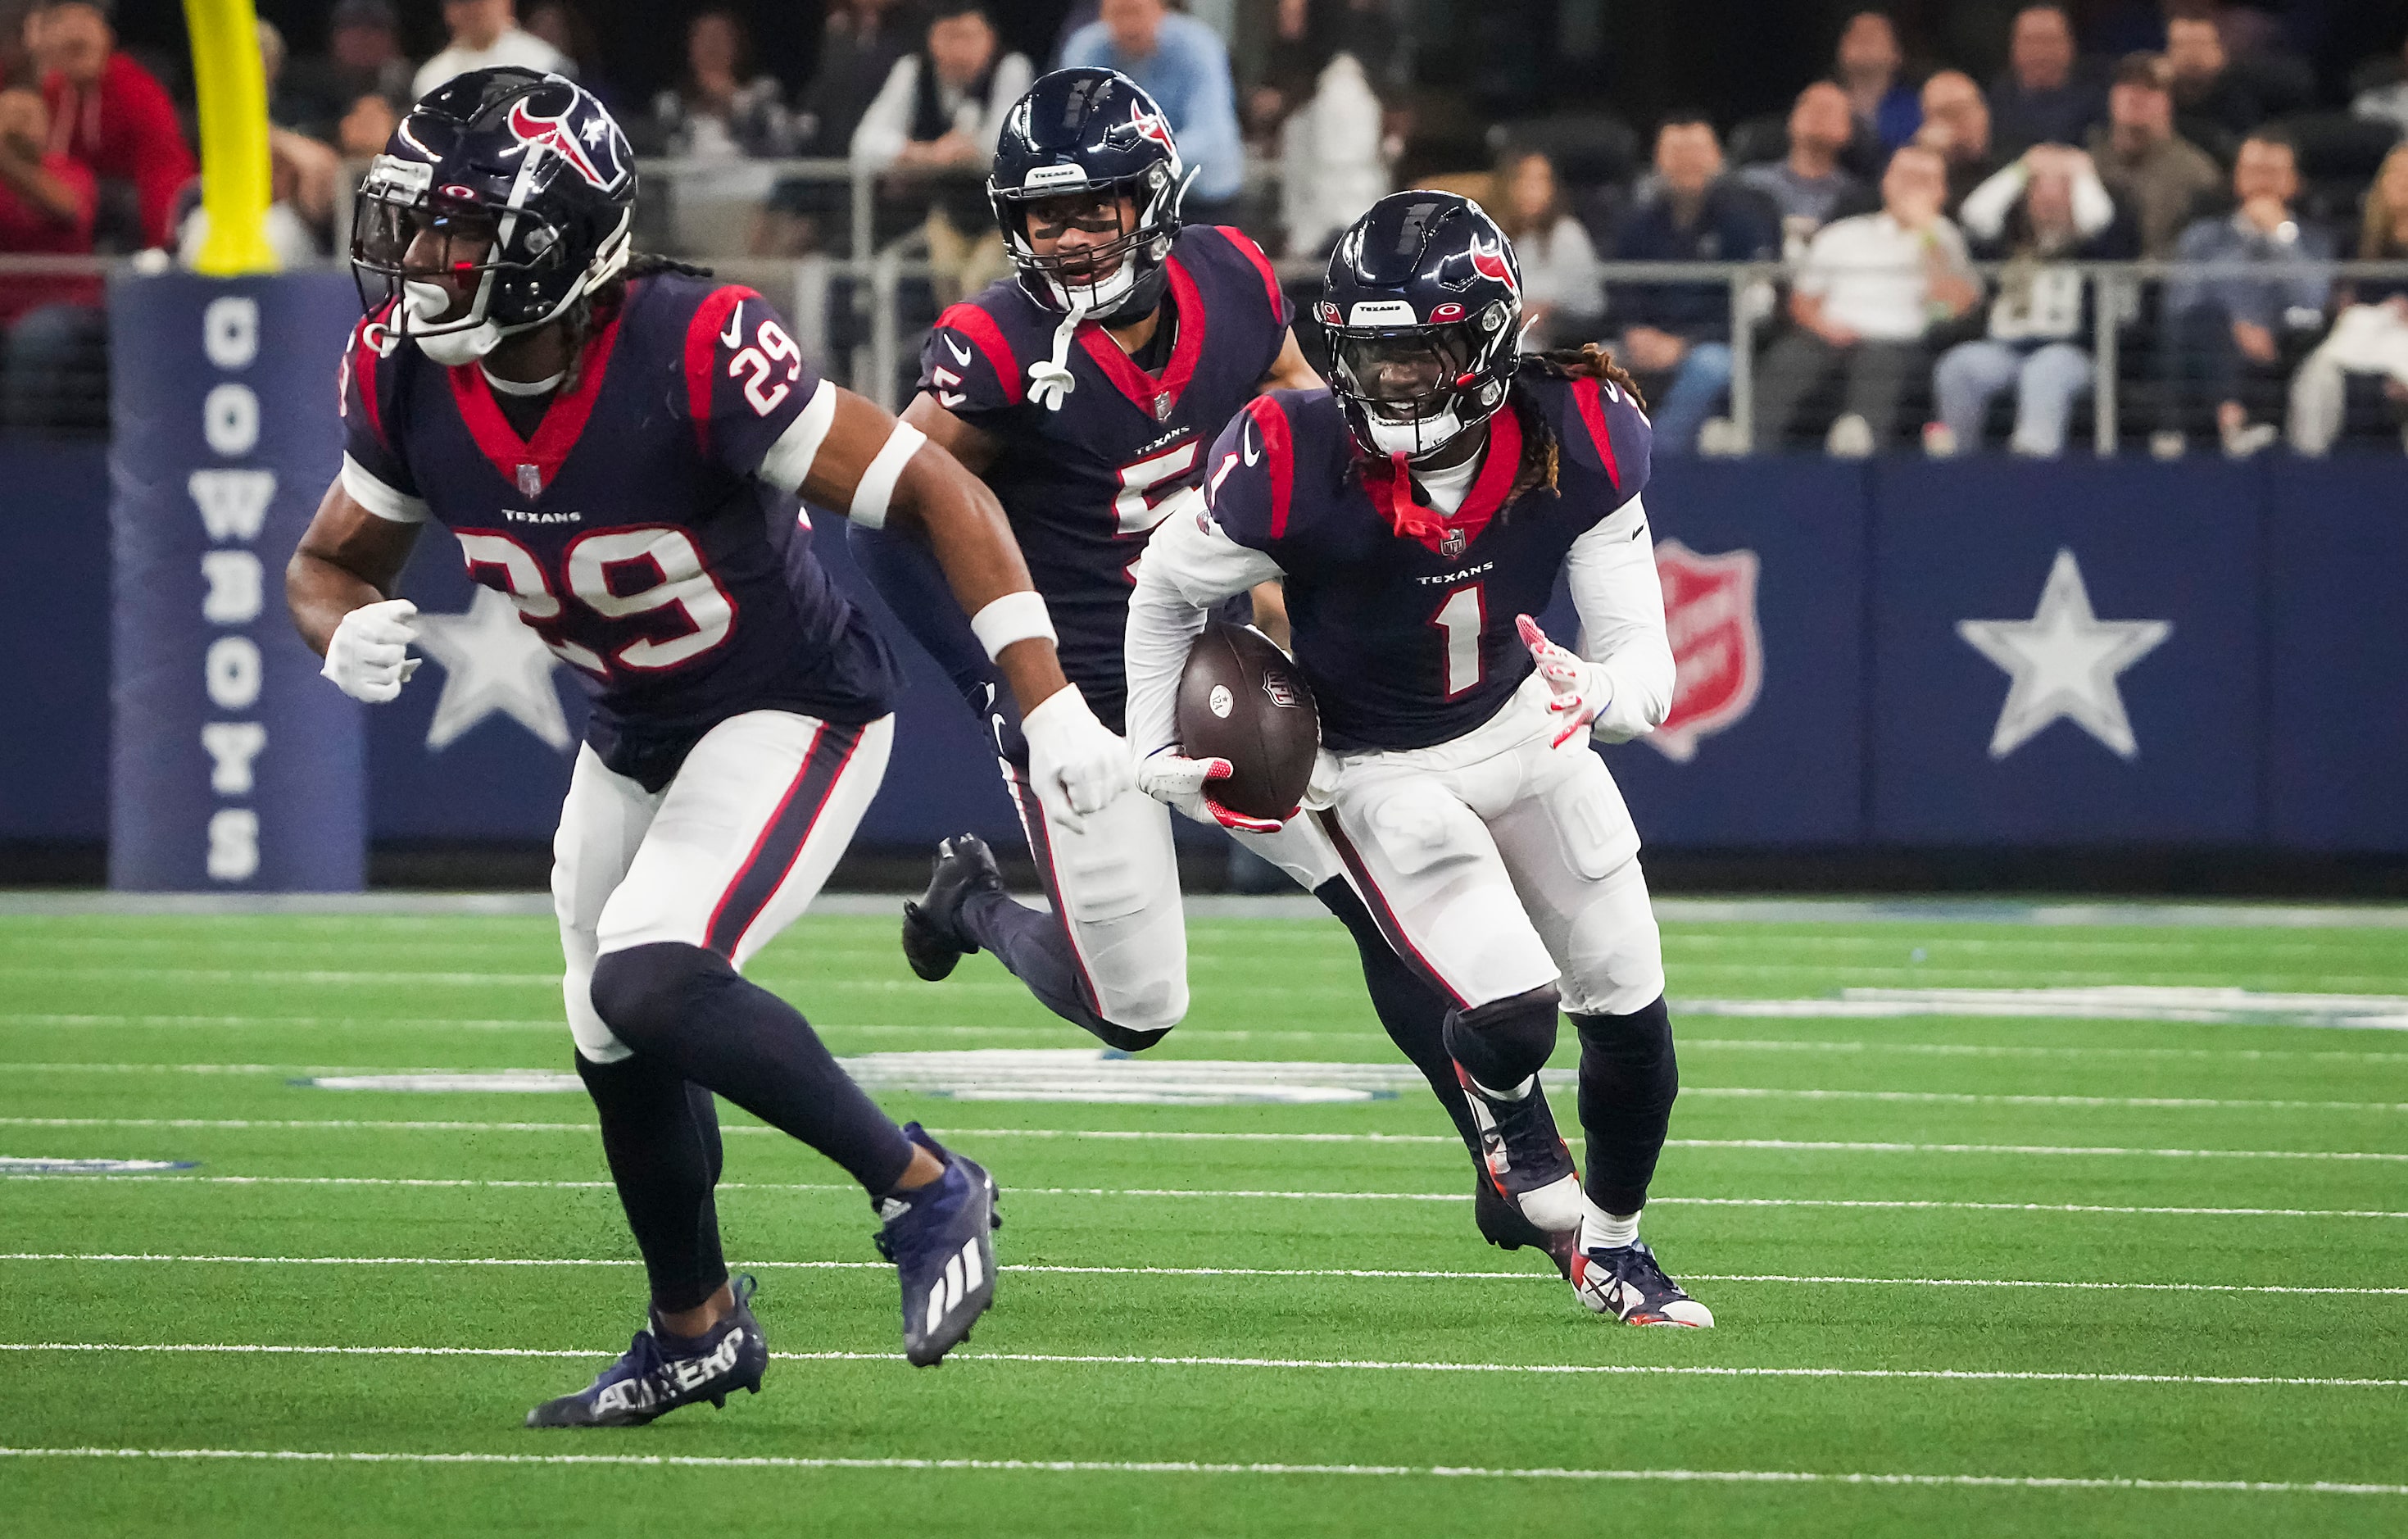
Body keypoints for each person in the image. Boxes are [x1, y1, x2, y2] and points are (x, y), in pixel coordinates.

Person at [292, 68, 1130, 1423]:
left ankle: (925, 1188)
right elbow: (329, 560)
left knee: (649, 976)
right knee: (606, 1030)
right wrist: (332, 626)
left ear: (558, 246)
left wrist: (1044, 699)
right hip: (629, 730)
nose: (415, 264)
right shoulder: (400, 373)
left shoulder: (692, 342)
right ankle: (694, 1327)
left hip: (787, 705)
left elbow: (935, 486)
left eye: (454, 233)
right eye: (410, 227)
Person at [851, 72, 1587, 1274]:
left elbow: (1306, 415)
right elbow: (880, 521)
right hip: (1085, 698)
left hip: (1215, 661)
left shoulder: (1231, 277)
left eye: (1099, 205)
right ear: (1012, 225)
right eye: (1047, 216)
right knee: (1135, 1010)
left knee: (1380, 902)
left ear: (1155, 198)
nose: (1074, 234)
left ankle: (1500, 1152)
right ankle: (973, 901)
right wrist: (1010, 695)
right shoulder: (993, 346)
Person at [1121, 191, 1709, 1328]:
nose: (1392, 381)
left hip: (1520, 725)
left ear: (1487, 337)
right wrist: (1152, 742)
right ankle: (1500, 1107)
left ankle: (1617, 1247)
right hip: (1375, 765)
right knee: (1509, 1012)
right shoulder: (1286, 454)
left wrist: (1611, 698)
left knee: (1632, 1013)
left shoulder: (1579, 429)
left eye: (1420, 350)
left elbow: (1639, 645)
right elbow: (1162, 589)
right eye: (1370, 352)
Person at [1754, 143, 1980, 456]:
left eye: (1924, 180)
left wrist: (1927, 234)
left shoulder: (1945, 239)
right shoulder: (1842, 233)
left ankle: (1859, 453)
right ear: (1886, 182)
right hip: (1830, 333)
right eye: (1905, 178)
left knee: (1880, 364)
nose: (1912, 188)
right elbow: (1802, 302)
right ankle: (1748, 443)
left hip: (1899, 341)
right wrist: (1824, 326)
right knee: (1790, 357)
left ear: (1942, 191)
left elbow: (1954, 307)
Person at [1930, 144, 2136, 456]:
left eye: (2061, 190)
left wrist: (2082, 175)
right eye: (2040, 190)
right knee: (1960, 366)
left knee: (2044, 369)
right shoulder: (2009, 245)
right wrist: (2021, 169)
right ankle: (1960, 460)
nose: (2050, 199)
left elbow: (2099, 222)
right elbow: (1975, 214)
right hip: (2006, 351)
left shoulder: (2096, 247)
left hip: (2072, 354)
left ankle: (2032, 461)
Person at [2156, 130, 2332, 457]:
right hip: (2206, 349)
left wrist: (2282, 239)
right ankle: (2230, 421)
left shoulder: (2314, 242)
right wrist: (2236, 327)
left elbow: (2313, 305)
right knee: (2200, 319)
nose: (2261, 183)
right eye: (2253, 172)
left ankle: (2205, 425)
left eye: (2272, 173)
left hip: (2278, 351)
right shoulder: (2202, 237)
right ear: (2236, 179)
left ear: (2294, 182)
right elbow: (2180, 303)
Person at [1612, 116, 1778, 455]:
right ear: (1657, 160)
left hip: (1717, 343)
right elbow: (1620, 287)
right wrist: (1634, 331)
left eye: (1697, 151)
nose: (1686, 161)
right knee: (1593, 363)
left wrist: (1686, 344)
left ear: (1717, 158)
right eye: (1675, 151)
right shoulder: (1637, 223)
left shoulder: (1745, 220)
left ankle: (1654, 460)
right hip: (1646, 338)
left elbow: (1755, 302)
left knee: (1708, 365)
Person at [852, 2, 1033, 306]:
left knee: (981, 287)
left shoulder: (1011, 68)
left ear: (989, 38)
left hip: (1005, 218)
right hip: (948, 214)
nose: (960, 49)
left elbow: (1008, 146)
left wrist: (970, 150)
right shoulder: (913, 71)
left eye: (969, 37)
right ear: (932, 40)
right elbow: (864, 146)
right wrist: (925, 153)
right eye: (950, 37)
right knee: (951, 296)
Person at [1060, 0, 1246, 225]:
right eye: (1119, 13)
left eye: (1136, 11)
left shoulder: (1199, 46)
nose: (1130, 25)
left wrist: (1137, 153)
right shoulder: (1085, 49)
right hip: (1124, 196)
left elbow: (1212, 135)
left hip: (1198, 194)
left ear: (1161, 10)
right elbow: (1070, 129)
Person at [27, 0, 193, 249]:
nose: (75, 32)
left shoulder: (138, 91)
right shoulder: (49, 95)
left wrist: (161, 246)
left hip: (138, 211)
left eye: (85, 23)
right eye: (64, 26)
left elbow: (164, 168)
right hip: (74, 208)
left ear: (108, 39)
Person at [2288, 143, 2408, 456]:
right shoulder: (2357, 242)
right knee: (2318, 372)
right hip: (2366, 338)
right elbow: (2338, 295)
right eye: (2395, 174)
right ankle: (2310, 461)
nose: (2403, 182)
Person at [0, 84, 102, 434]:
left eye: (27, 117)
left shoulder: (70, 172)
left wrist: (7, 161)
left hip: (65, 309)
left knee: (38, 337)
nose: (16, 125)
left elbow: (67, 211)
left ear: (47, 128)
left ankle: (21, 461)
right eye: (8, 116)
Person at [2088, 52, 2220, 259]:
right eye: (2127, 85)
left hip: (2167, 284)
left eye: (2151, 88)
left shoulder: (2197, 174)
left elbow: (2204, 249)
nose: (2136, 96)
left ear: (2169, 102)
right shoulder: (2089, 164)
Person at [1739, 81, 1866, 258]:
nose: (1818, 115)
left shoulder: (1857, 198)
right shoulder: (1751, 184)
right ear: (1792, 118)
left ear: (1849, 130)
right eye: (1808, 105)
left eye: (1829, 110)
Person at [648, 9, 795, 162]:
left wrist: (734, 105)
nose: (712, 45)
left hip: (753, 183)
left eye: (721, 37)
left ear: (738, 45)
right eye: (703, 37)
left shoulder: (764, 93)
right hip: (691, 183)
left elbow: (785, 147)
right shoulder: (669, 104)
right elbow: (662, 153)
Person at [1494, 148, 1603, 352]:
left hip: (1553, 352)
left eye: (1540, 180)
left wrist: (1551, 318)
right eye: (1523, 179)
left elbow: (1591, 309)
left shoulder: (1569, 236)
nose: (1532, 189)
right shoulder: (1491, 237)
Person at [279, 0, 415, 143]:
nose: (363, 36)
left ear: (394, 40)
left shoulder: (410, 85)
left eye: (376, 27)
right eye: (352, 26)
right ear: (333, 37)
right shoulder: (305, 88)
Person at [1987, 4, 2102, 157]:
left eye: (2049, 41)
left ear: (2070, 46)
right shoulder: (1993, 105)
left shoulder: (2100, 100)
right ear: (2013, 48)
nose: (2040, 51)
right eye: (2030, 41)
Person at [411, 0, 571, 100]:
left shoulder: (546, 63)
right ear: (448, 11)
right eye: (462, 2)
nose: (473, 9)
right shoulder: (430, 77)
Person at [2164, 11, 2265, 161]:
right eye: (2182, 45)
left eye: (2201, 44)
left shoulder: (2242, 95)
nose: (2192, 55)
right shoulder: (2159, 96)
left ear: (2221, 52)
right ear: (2167, 52)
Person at [1916, 69, 2000, 211]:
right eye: (1947, 113)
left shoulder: (2011, 161)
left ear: (1983, 114)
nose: (1960, 122)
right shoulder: (1916, 163)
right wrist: (1927, 157)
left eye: (1966, 110)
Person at [1835, 11, 1921, 152]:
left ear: (1897, 55)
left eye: (1873, 36)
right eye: (1855, 35)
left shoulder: (1917, 108)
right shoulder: (1822, 104)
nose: (1863, 41)